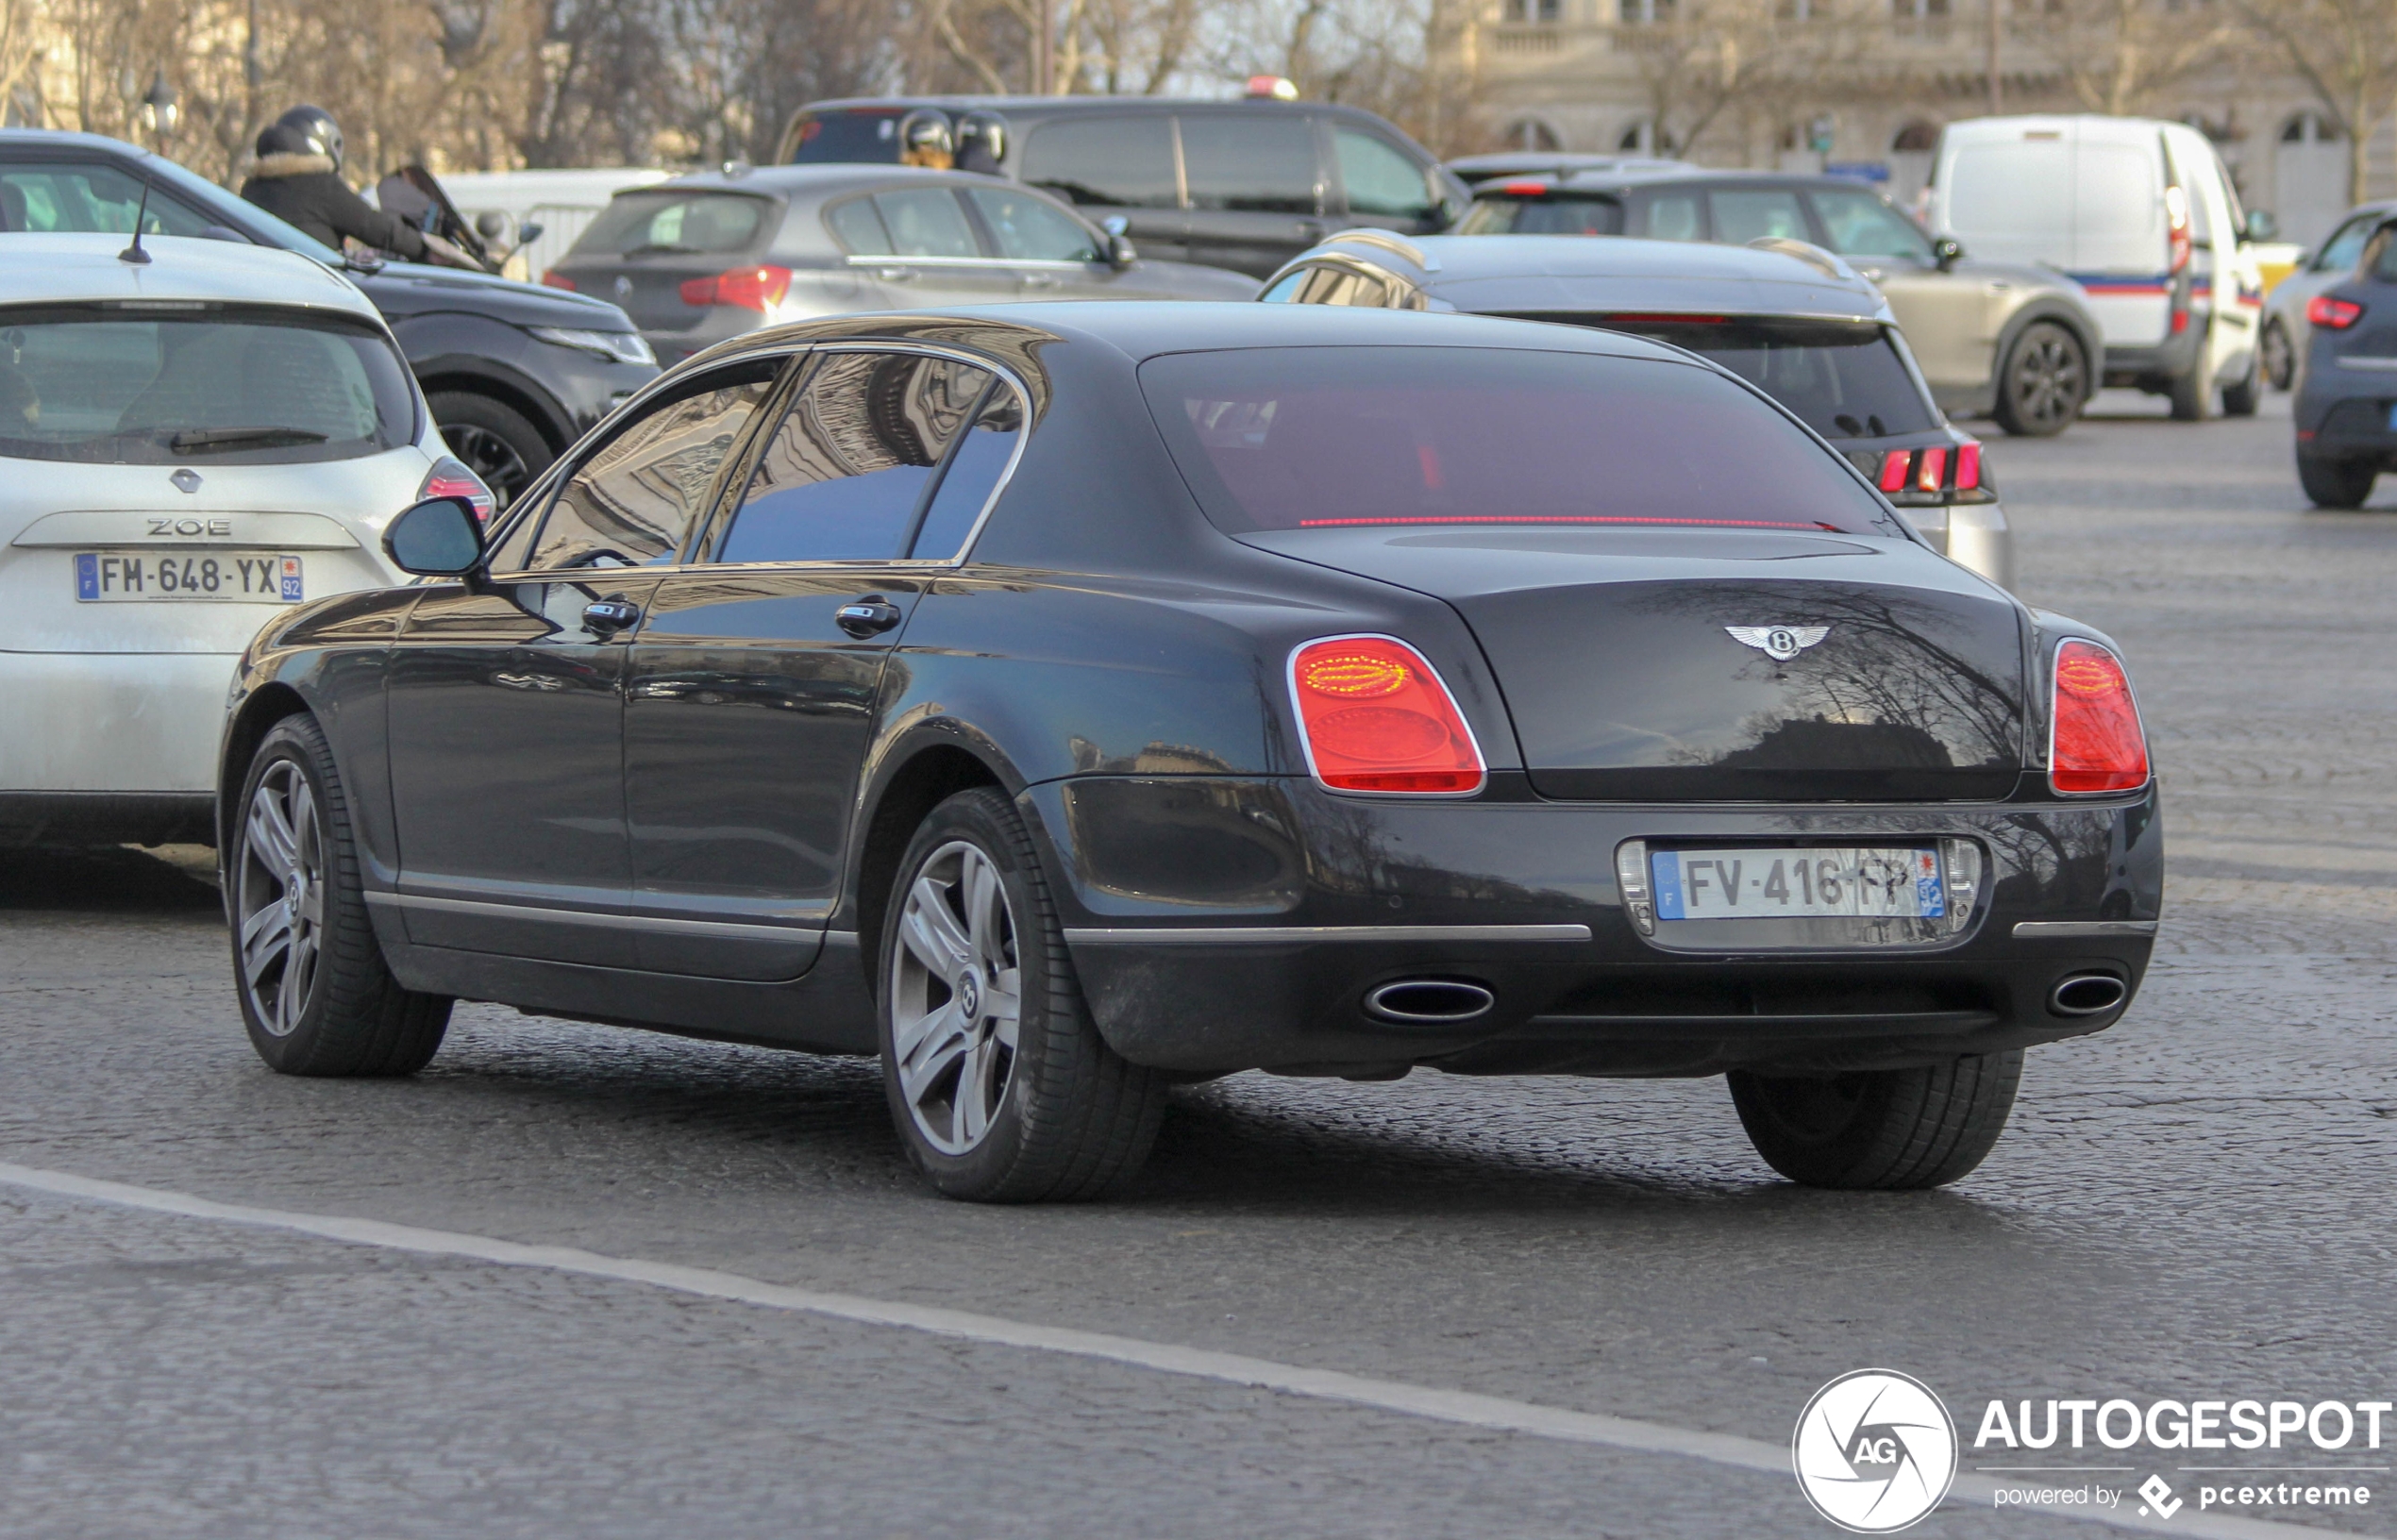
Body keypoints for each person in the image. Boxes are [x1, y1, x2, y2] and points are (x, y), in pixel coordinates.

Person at [239, 107, 473, 267]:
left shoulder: (252, 188)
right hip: (316, 295)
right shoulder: (318, 185)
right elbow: (373, 226)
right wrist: (426, 249)